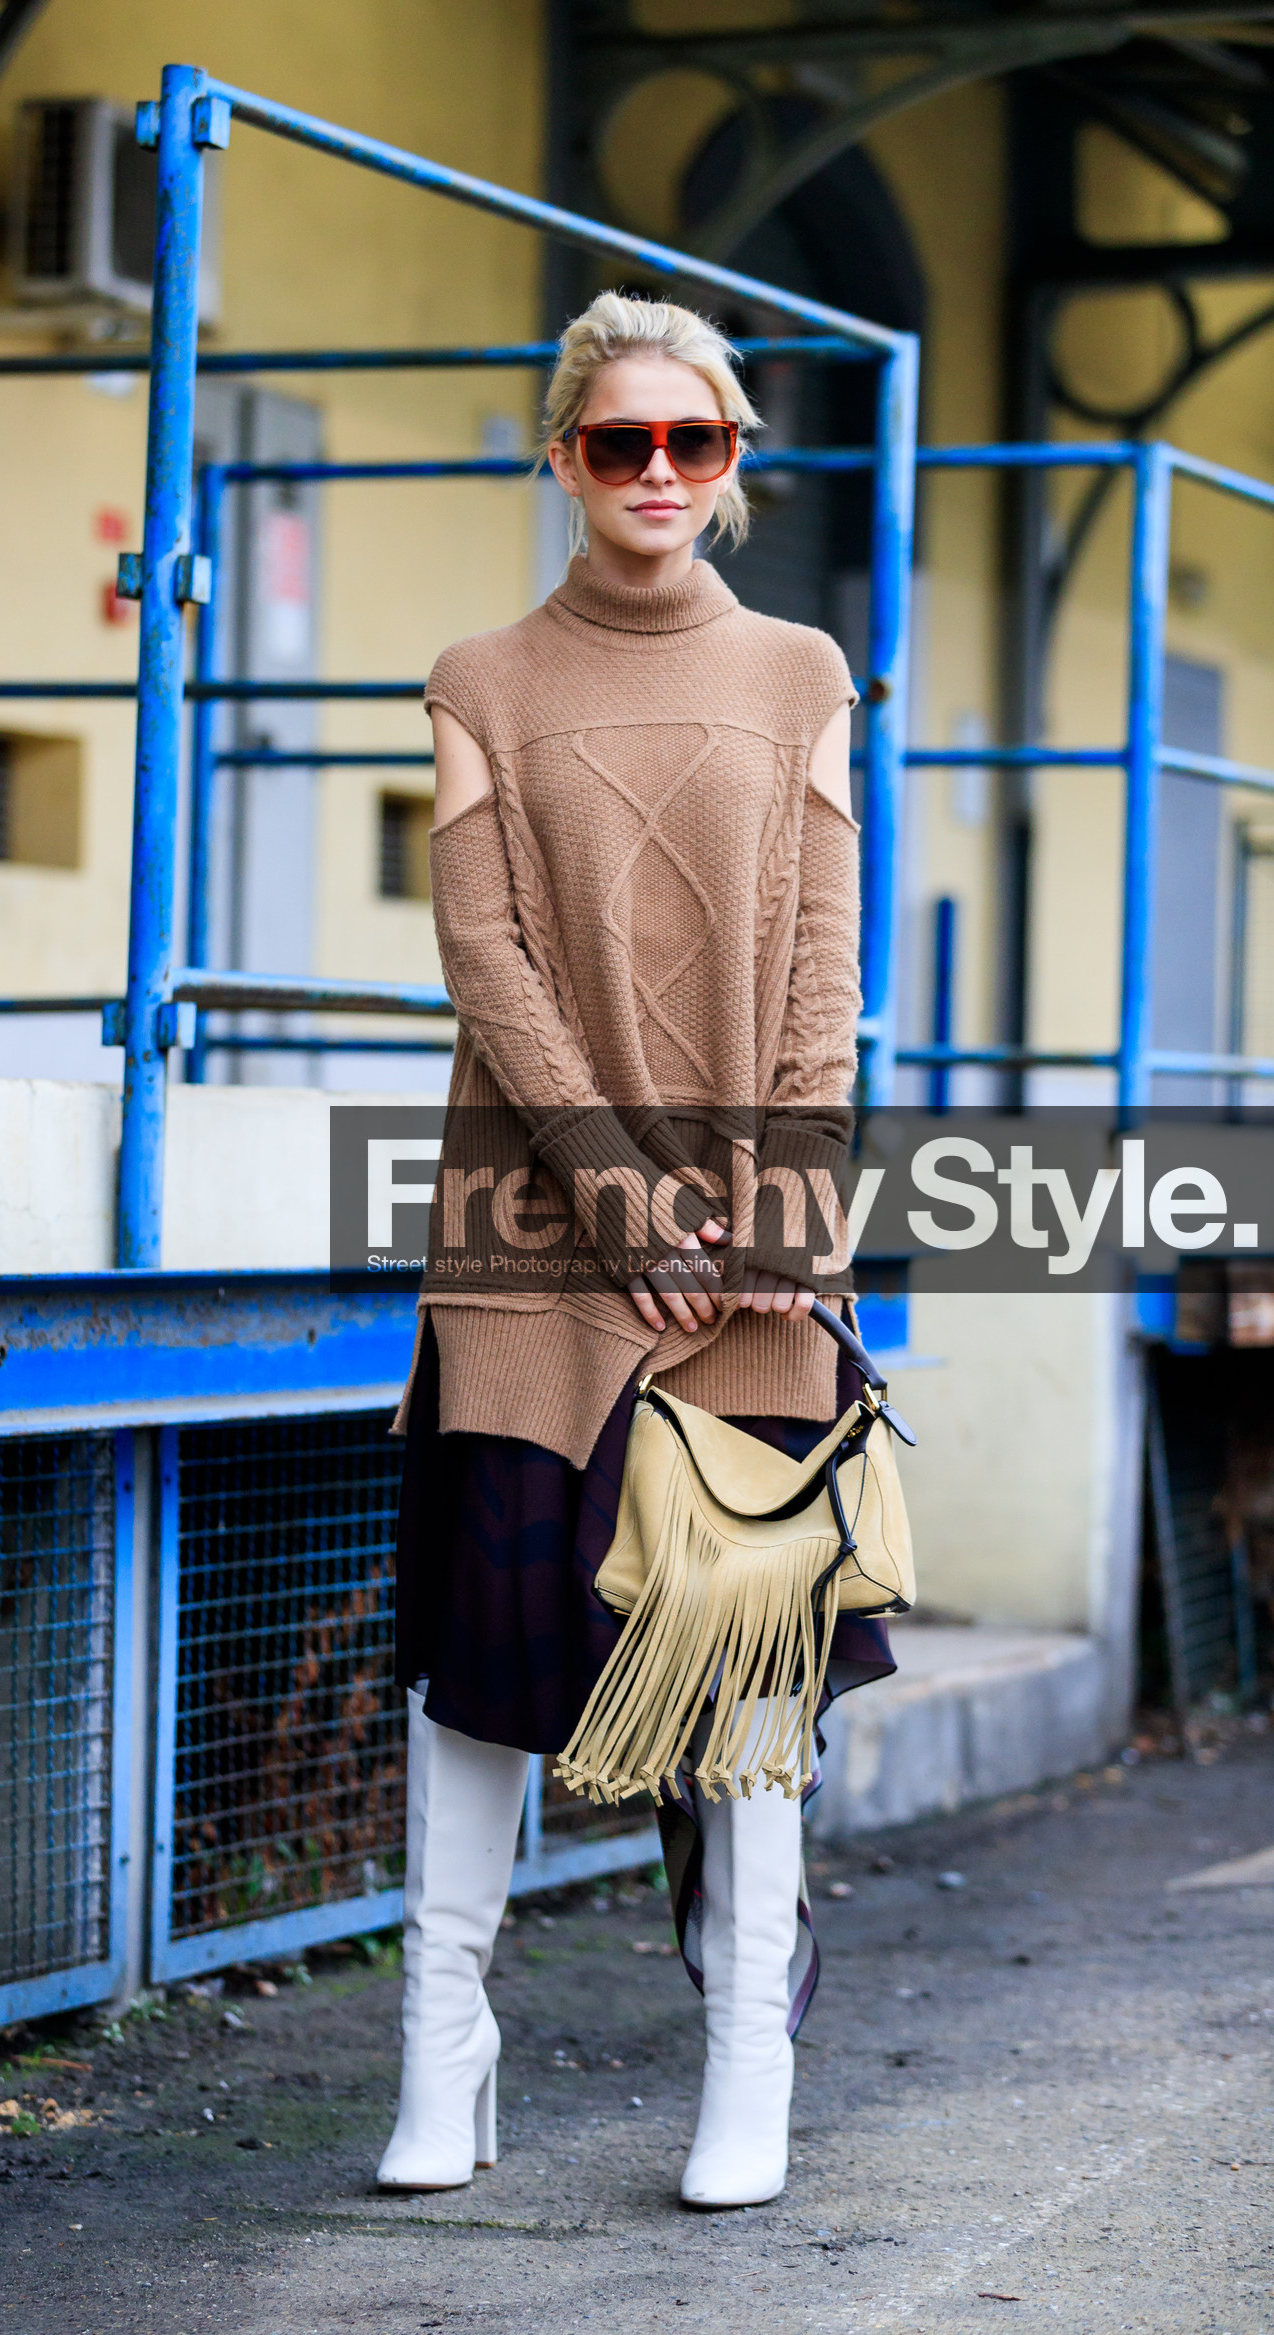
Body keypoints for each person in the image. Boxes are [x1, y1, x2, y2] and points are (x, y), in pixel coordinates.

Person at [379, 292, 894, 2209]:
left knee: (745, 1653)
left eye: (695, 442)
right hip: (528, 1236)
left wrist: (765, 1210)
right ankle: (447, 2049)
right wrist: (617, 1202)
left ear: (739, 460)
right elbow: (486, 958)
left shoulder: (804, 674)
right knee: (492, 1664)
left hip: (756, 1237)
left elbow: (824, 965)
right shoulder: (481, 676)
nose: (659, 473)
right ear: (562, 455)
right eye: (620, 443)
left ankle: (744, 2057)